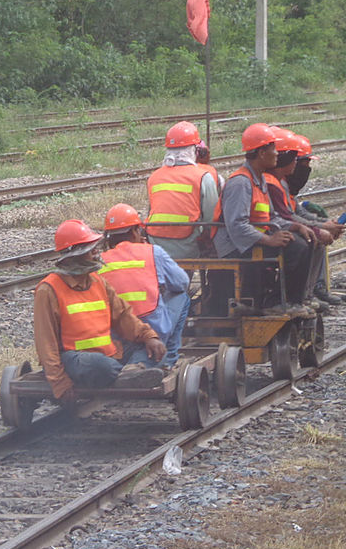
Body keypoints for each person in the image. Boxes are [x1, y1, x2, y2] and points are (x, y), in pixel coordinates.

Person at [33, 219, 168, 402]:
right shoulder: (48, 290)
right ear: (76, 254)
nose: (96, 253)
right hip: (76, 360)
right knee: (101, 366)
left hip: (110, 355)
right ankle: (129, 375)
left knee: (154, 349)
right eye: (91, 250)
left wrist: (149, 336)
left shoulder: (98, 281)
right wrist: (59, 383)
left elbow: (123, 317)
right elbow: (46, 344)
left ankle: (128, 373)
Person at [211, 123, 317, 315]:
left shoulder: (259, 180)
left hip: (251, 240)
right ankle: (275, 302)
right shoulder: (241, 183)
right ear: (261, 153)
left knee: (303, 241)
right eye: (273, 149)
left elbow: (272, 217)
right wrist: (269, 239)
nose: (277, 154)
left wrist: (295, 226)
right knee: (297, 248)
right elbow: (237, 226)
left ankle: (292, 301)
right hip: (234, 246)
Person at [99, 203, 191, 370]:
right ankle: (168, 358)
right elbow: (182, 282)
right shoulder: (153, 252)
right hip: (151, 328)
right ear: (135, 231)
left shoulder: (100, 261)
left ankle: (130, 360)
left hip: (116, 333)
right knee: (182, 297)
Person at [264, 128, 344, 307]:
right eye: (302, 163)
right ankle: (296, 297)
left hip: (271, 232)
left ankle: (307, 293)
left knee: (311, 237)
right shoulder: (272, 183)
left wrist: (322, 225)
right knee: (305, 241)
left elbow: (295, 212)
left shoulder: (280, 183)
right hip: (265, 236)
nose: (304, 169)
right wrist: (318, 228)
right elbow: (286, 216)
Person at [145, 121, 220, 259]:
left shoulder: (154, 177)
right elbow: (212, 220)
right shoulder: (203, 177)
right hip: (188, 246)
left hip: (156, 246)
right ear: (195, 150)